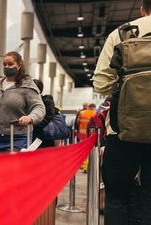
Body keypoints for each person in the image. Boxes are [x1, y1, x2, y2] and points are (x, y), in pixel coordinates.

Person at [93, 1, 151, 224]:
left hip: (122, 130)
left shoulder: (121, 34)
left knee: (117, 197)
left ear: (142, 9)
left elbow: (101, 83)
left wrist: (124, 91)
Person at [0, 51, 45, 152]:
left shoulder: (28, 85)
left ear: (19, 65)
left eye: (10, 64)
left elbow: (39, 107)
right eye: (4, 65)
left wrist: (31, 117)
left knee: (14, 167)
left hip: (17, 138)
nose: (7, 67)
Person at [32, 79, 57, 148]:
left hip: (45, 135)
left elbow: (49, 116)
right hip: (33, 135)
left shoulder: (46, 101)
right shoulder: (29, 101)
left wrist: (34, 125)